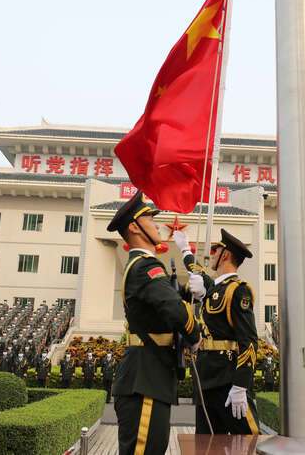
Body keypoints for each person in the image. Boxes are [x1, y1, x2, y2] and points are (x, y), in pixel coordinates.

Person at [109, 190, 201, 455]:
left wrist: (187, 291)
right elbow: (172, 309)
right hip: (145, 379)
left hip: (150, 377)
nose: (158, 224)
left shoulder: (145, 266)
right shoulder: (144, 265)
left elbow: (166, 301)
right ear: (135, 227)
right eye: (150, 219)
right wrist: (195, 335)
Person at [174, 227, 260, 435]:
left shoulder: (238, 289)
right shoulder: (214, 288)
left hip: (227, 381)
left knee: (250, 441)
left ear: (226, 255)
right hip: (206, 380)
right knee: (208, 444)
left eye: (215, 250)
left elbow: (248, 340)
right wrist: (185, 250)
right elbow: (199, 273)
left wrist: (241, 385)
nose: (211, 254)